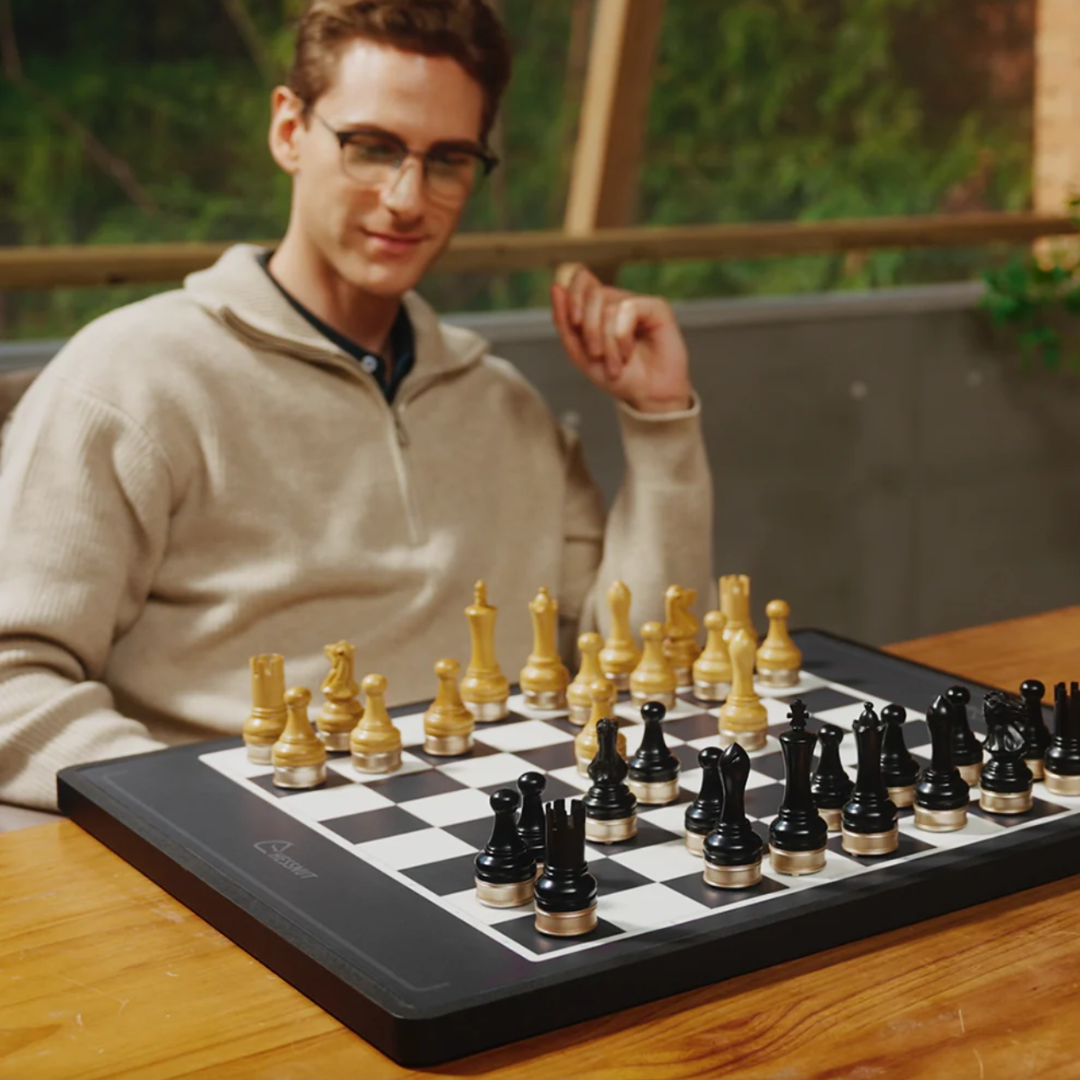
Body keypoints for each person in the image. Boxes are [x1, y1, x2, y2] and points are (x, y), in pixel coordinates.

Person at [0, 0, 713, 811]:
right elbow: (10, 684)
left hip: (503, 846)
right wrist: (209, 819)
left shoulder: (509, 409)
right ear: (288, 130)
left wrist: (660, 424)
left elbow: (651, 665)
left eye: (448, 160)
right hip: (242, 867)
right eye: (372, 148)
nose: (408, 199)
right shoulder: (129, 378)